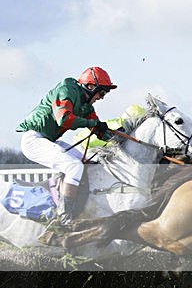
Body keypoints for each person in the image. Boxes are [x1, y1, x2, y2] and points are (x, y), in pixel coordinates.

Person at [16, 67, 117, 225]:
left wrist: (117, 136)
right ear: (90, 87)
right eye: (102, 92)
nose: (102, 98)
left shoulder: (86, 106)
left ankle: (81, 206)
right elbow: (63, 119)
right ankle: (64, 215)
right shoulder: (66, 90)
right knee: (74, 166)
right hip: (33, 139)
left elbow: (98, 129)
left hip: (49, 140)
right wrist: (92, 123)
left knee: (89, 163)